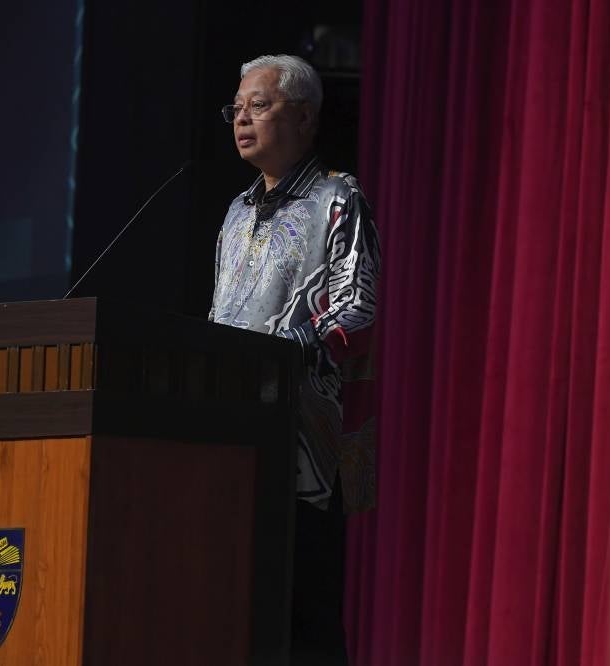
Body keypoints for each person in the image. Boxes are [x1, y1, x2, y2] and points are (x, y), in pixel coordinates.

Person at [209, 54, 380, 664]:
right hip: (230, 438)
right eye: (237, 108)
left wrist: (294, 348)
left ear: (304, 116)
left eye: (259, 105)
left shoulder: (338, 199)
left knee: (304, 619)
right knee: (234, 610)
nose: (241, 118)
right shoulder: (234, 214)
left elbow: (356, 307)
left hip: (304, 446)